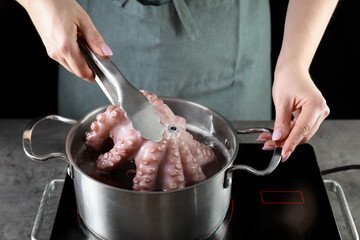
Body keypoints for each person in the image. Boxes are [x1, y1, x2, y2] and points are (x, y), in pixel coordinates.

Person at [15, 0, 335, 162]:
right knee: (88, 154)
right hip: (91, 23)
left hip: (226, 31)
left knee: (230, 155)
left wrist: (295, 62)